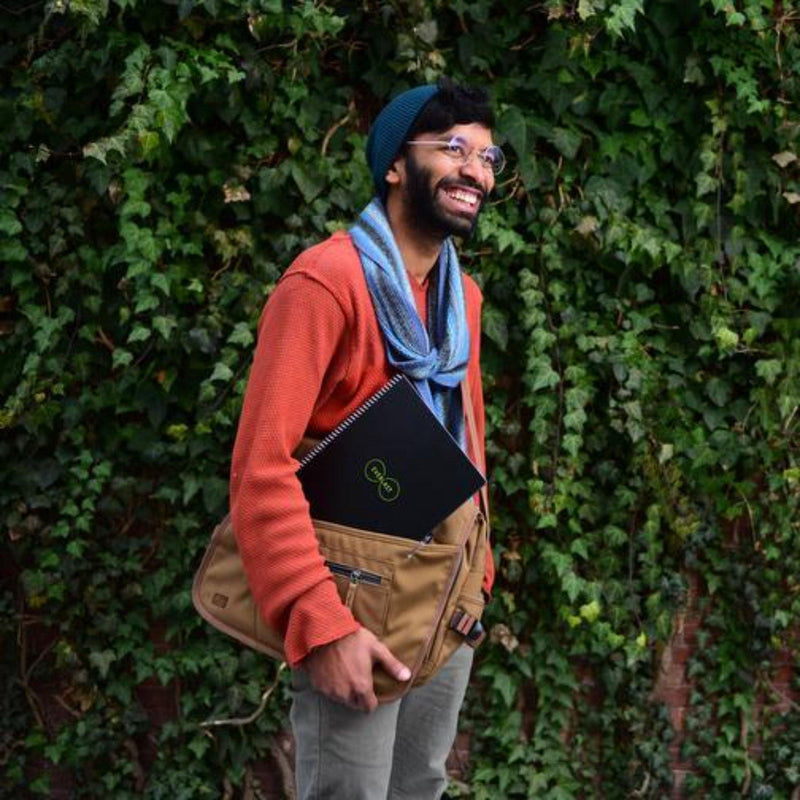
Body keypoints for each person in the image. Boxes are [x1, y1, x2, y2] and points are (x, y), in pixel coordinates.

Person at [229, 79, 503, 800]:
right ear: (395, 164)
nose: (476, 171)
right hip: (354, 602)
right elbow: (261, 470)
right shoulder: (324, 284)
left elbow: (468, 440)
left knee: (422, 786)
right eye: (454, 148)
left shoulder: (462, 300)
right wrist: (320, 624)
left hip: (444, 596)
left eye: (487, 156)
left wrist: (479, 572)